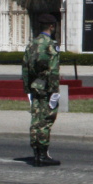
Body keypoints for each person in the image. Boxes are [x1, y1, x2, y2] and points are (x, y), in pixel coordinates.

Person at [22, 13, 61, 166]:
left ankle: (36, 153)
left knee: (36, 120)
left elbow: (25, 68)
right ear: (51, 26)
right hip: (46, 86)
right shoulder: (50, 44)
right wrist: (54, 91)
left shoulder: (32, 44)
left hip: (34, 85)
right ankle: (43, 154)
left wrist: (28, 88)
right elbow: (53, 70)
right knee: (46, 120)